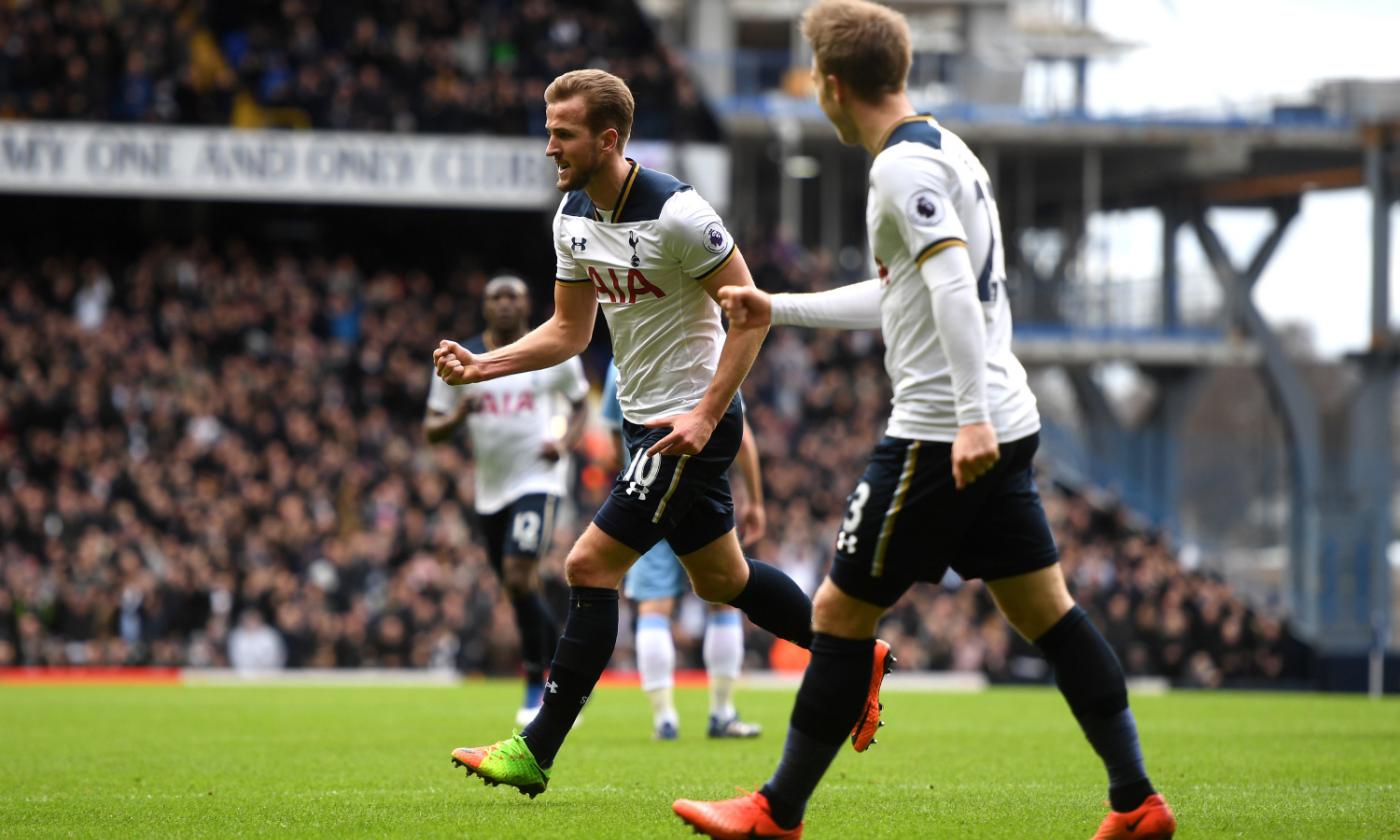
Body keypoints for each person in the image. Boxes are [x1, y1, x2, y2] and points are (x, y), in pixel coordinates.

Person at [672, 3, 1177, 839]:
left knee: (837, 616)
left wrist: (968, 420)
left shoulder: (898, 171)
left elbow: (949, 289)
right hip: (1004, 419)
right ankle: (1137, 800)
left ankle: (774, 812)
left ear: (831, 86)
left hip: (946, 429)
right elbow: (908, 289)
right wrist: (778, 307)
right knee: (1046, 611)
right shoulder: (946, 151)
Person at [435, 69, 886, 797]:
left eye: (563, 134)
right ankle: (854, 656)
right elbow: (569, 331)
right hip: (644, 424)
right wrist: (485, 365)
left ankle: (535, 750)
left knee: (588, 566)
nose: (549, 146)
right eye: (548, 130)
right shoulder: (572, 218)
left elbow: (752, 313)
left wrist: (706, 413)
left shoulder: (680, 214)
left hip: (689, 426)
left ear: (607, 139)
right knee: (723, 580)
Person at [424, 274, 589, 726]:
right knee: (518, 589)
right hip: (490, 490)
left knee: (519, 576)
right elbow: (431, 428)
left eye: (511, 296)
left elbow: (580, 405)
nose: (503, 304)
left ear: (527, 302)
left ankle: (543, 682)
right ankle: (562, 675)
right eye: (494, 297)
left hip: (539, 478)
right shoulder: (462, 358)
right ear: (484, 306)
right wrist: (460, 413)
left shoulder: (549, 350)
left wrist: (566, 443)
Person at [602, 359, 764, 740]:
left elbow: (614, 439)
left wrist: (628, 483)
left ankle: (664, 718)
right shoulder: (705, 354)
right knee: (723, 596)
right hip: (702, 490)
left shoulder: (621, 362)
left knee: (654, 606)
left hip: (648, 488)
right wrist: (755, 499)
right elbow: (740, 432)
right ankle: (722, 712)